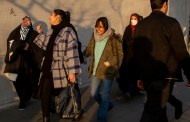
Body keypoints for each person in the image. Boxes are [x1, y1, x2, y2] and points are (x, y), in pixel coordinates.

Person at [134, 0, 190, 122]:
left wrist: (139, 76)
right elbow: (181, 52)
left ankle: (177, 105)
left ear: (151, 4)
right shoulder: (171, 23)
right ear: (165, 4)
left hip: (148, 76)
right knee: (152, 113)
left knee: (158, 110)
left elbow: (137, 54)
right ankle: (177, 104)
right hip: (164, 77)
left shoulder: (140, 25)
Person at [34, 9, 82, 122]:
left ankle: (76, 111)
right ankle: (46, 119)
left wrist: (72, 72)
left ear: (58, 17)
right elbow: (46, 46)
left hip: (62, 68)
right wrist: (40, 33)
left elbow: (72, 51)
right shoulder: (51, 31)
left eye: (51, 15)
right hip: (48, 67)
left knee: (68, 92)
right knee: (45, 93)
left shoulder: (68, 30)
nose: (49, 17)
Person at [83, 17, 123, 122]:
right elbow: (89, 49)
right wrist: (83, 56)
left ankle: (101, 118)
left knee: (105, 95)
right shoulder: (94, 37)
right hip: (96, 71)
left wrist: (109, 62)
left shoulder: (113, 39)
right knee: (93, 93)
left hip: (108, 72)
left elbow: (120, 55)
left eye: (100, 26)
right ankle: (108, 105)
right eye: (97, 26)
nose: (98, 29)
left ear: (106, 26)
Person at [4, 16, 42, 110]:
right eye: (24, 20)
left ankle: (22, 101)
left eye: (28, 20)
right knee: (16, 81)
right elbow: (10, 42)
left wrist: (40, 33)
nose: (25, 21)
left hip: (28, 62)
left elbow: (40, 44)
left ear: (30, 23)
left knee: (26, 80)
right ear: (21, 21)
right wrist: (22, 45)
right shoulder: (15, 32)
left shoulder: (33, 33)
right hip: (16, 61)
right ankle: (24, 98)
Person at [117, 13, 140, 98]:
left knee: (134, 74)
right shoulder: (128, 28)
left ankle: (130, 90)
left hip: (137, 57)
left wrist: (132, 42)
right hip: (128, 56)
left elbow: (141, 41)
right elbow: (124, 42)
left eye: (135, 19)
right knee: (126, 74)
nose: (133, 20)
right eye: (131, 18)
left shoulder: (140, 29)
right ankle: (129, 89)